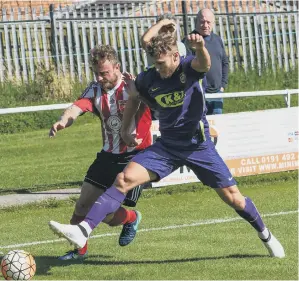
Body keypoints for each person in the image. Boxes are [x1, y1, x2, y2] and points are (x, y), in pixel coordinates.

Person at [48, 22, 285, 258]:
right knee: (124, 179)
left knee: (234, 199)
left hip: (197, 146)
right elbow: (134, 98)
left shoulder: (187, 68)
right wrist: (126, 129)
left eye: (161, 64)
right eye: (155, 65)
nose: (159, 70)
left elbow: (205, 63)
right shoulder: (148, 78)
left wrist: (201, 47)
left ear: (175, 56)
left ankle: (266, 235)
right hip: (167, 147)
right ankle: (83, 230)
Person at [48, 44, 152, 260]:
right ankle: (79, 251)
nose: (100, 77)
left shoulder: (135, 86)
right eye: (97, 73)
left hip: (136, 156)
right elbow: (76, 108)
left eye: (104, 73)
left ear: (117, 67)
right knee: (84, 204)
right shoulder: (94, 89)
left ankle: (131, 217)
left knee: (106, 208)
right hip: (107, 155)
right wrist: (62, 121)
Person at [182, 8, 229, 115]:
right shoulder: (189, 41)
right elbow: (185, 67)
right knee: (200, 126)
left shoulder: (217, 40)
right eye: (202, 22)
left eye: (208, 22)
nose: (205, 25)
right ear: (196, 22)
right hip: (197, 93)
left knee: (217, 126)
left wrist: (223, 85)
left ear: (213, 23)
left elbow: (225, 63)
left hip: (217, 93)